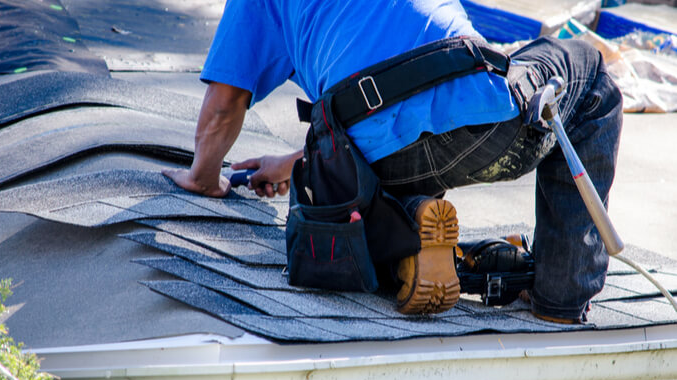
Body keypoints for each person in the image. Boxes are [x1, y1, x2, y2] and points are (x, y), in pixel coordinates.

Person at [163, 0, 623, 323]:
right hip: (481, 126)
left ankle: (409, 233)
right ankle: (560, 297)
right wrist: (288, 162)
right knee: (589, 71)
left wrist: (204, 178)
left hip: (359, 169)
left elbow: (225, 105)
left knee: (380, 163)